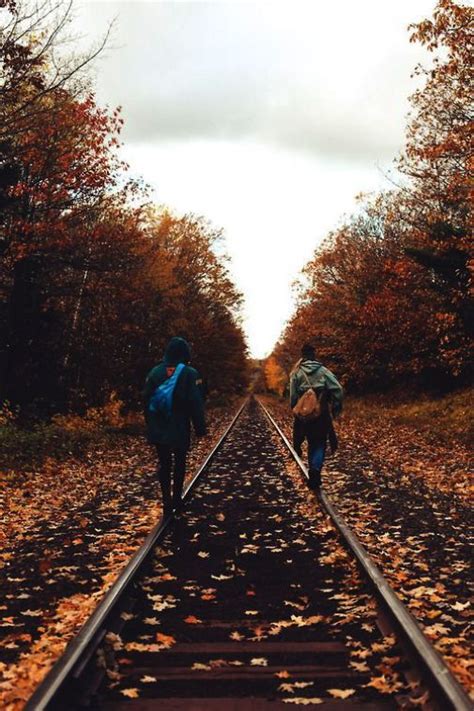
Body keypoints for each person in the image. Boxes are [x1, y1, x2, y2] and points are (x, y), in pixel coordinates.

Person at [143, 336, 207, 515]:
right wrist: (200, 428)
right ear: (185, 353)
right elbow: (196, 403)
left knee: (164, 463)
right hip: (179, 424)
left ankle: (166, 501)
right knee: (179, 462)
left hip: (159, 425)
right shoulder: (190, 373)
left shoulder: (154, 372)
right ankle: (177, 499)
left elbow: (146, 399)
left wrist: (150, 424)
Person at [289, 343, 343, 489]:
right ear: (314, 355)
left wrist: (296, 408)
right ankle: (315, 471)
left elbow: (293, 396)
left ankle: (312, 468)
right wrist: (336, 407)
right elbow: (338, 389)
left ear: (302, 355)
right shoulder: (324, 371)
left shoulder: (297, 372)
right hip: (321, 414)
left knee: (307, 440)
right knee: (318, 443)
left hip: (303, 416)